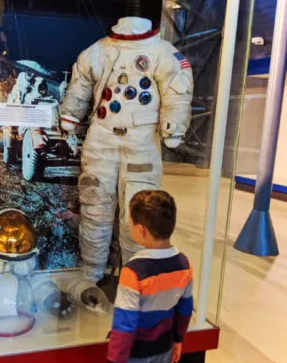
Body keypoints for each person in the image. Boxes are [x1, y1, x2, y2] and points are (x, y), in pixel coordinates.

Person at [60, 16, 193, 309]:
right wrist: (71, 112)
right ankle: (91, 274)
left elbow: (177, 90)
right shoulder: (98, 51)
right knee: (95, 207)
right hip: (102, 139)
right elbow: (81, 83)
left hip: (141, 142)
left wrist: (173, 126)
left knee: (140, 212)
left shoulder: (162, 53)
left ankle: (135, 277)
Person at [107, 190, 194, 363]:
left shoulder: (133, 271)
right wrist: (178, 339)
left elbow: (125, 323)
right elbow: (185, 309)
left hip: (135, 354)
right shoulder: (184, 264)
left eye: (130, 223)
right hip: (163, 349)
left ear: (140, 230)